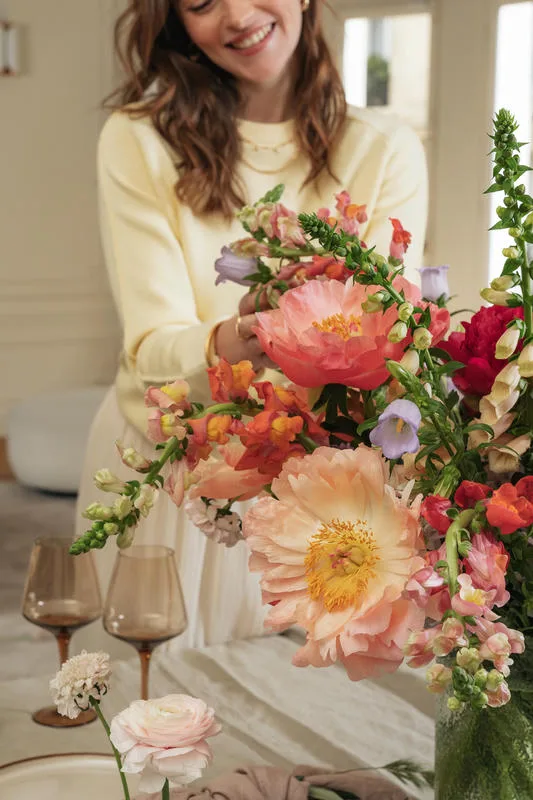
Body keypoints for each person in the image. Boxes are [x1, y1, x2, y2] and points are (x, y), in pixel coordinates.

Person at [75, 0, 428, 658]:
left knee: (295, 705)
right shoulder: (139, 139)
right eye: (201, 2)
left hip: (316, 481)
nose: (237, 14)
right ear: (177, 21)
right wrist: (249, 333)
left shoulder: (383, 149)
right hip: (175, 470)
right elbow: (152, 351)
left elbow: (385, 336)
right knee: (150, 698)